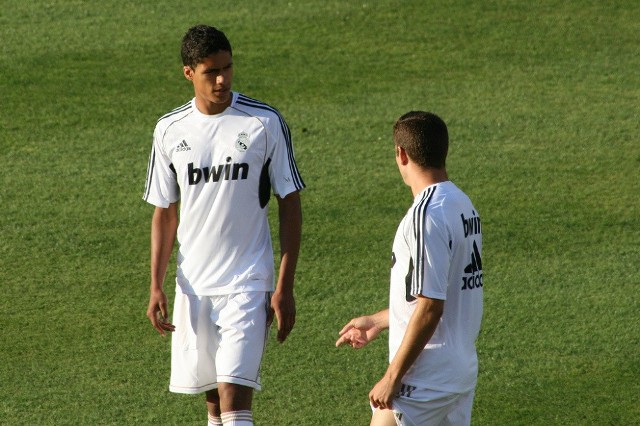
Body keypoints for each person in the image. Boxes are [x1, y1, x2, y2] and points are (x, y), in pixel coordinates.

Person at [143, 24, 304, 426]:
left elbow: (290, 201)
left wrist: (284, 286)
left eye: (228, 68)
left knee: (234, 399)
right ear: (188, 73)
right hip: (194, 283)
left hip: (247, 281)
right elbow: (165, 211)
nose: (222, 79)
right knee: (214, 404)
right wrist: (156, 283)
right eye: (211, 71)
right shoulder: (169, 130)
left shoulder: (264, 123)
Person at [336, 111, 483, 426]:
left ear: (401, 154)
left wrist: (392, 376)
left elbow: (430, 307)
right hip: (458, 372)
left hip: (425, 377)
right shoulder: (463, 205)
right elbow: (441, 295)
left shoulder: (425, 217)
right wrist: (377, 321)